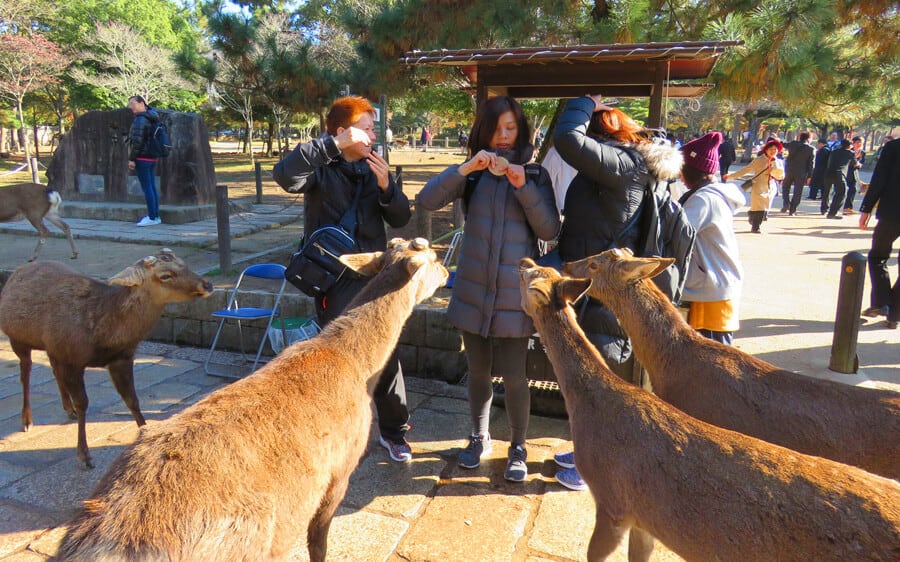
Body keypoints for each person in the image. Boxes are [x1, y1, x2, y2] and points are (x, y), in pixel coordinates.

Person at [417, 96, 560, 483]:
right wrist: (465, 167)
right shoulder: (475, 175)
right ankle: (478, 437)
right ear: (484, 130)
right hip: (473, 291)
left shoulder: (535, 175)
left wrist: (521, 185)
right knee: (478, 372)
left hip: (513, 298)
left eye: (510, 128)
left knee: (515, 376)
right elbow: (426, 200)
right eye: (496, 128)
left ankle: (518, 446)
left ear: (522, 130)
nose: (502, 136)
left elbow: (549, 230)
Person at [272, 96, 416, 463]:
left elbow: (400, 218)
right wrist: (331, 146)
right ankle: (338, 427)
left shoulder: (374, 166)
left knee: (387, 354)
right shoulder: (321, 168)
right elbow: (285, 175)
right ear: (343, 132)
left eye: (372, 127)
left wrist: (387, 188)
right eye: (366, 128)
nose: (373, 134)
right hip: (333, 279)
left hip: (376, 277)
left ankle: (394, 431)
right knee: (337, 357)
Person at [552, 95, 683, 490]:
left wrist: (582, 102)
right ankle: (584, 453)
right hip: (590, 286)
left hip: (604, 294)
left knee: (599, 384)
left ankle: (597, 467)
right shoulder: (620, 166)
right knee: (589, 379)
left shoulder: (624, 164)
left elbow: (566, 139)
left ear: (603, 129)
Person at [678, 132, 744, 344]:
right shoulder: (711, 194)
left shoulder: (703, 200)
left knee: (716, 358)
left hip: (712, 286)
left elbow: (677, 232)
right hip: (716, 284)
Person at [859, 136, 900, 330]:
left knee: (878, 256)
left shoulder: (893, 147)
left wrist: (866, 207)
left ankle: (881, 302)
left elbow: (879, 178)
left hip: (891, 212)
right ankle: (895, 313)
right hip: (891, 212)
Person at [725, 138, 784, 233]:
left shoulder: (778, 161)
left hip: (771, 187)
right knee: (759, 207)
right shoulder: (759, 160)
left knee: (765, 208)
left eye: (775, 149)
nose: (773, 151)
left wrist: (773, 172)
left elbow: (781, 175)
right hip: (759, 186)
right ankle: (756, 227)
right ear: (766, 150)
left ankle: (752, 216)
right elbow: (745, 170)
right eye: (771, 149)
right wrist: (730, 176)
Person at [127, 95, 163, 227]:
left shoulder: (141, 119)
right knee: (151, 187)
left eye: (133, 103)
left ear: (142, 103)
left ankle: (152, 217)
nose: (130, 107)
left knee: (147, 187)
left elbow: (137, 141)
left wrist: (132, 158)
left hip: (142, 157)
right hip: (151, 156)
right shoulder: (152, 116)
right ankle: (155, 215)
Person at [781, 132, 815, 215]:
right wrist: (810, 176)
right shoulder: (811, 149)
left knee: (785, 187)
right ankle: (792, 210)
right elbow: (811, 163)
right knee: (798, 191)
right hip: (801, 172)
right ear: (808, 139)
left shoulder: (793, 144)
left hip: (789, 170)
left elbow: (783, 144)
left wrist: (778, 140)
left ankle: (786, 203)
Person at [821, 138, 855, 218]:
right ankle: (833, 212)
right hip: (839, 174)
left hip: (828, 173)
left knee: (826, 191)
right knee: (842, 192)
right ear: (850, 145)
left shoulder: (834, 152)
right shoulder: (850, 153)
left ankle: (824, 209)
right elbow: (855, 164)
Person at [843, 136, 866, 214]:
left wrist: (859, 164)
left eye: (861, 142)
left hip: (855, 172)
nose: (859, 144)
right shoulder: (848, 151)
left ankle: (848, 207)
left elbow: (862, 161)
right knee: (845, 189)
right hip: (847, 171)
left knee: (853, 189)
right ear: (853, 143)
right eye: (857, 142)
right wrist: (855, 160)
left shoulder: (862, 152)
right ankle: (844, 207)